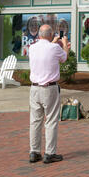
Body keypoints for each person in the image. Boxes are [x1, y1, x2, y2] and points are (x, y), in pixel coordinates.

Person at [29, 24, 70, 164]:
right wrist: (64, 44)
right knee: (51, 120)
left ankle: (34, 152)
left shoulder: (32, 47)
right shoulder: (55, 48)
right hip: (49, 89)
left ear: (39, 35)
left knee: (35, 121)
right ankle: (49, 153)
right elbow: (64, 58)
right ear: (51, 35)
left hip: (34, 89)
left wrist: (53, 41)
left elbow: (44, 50)